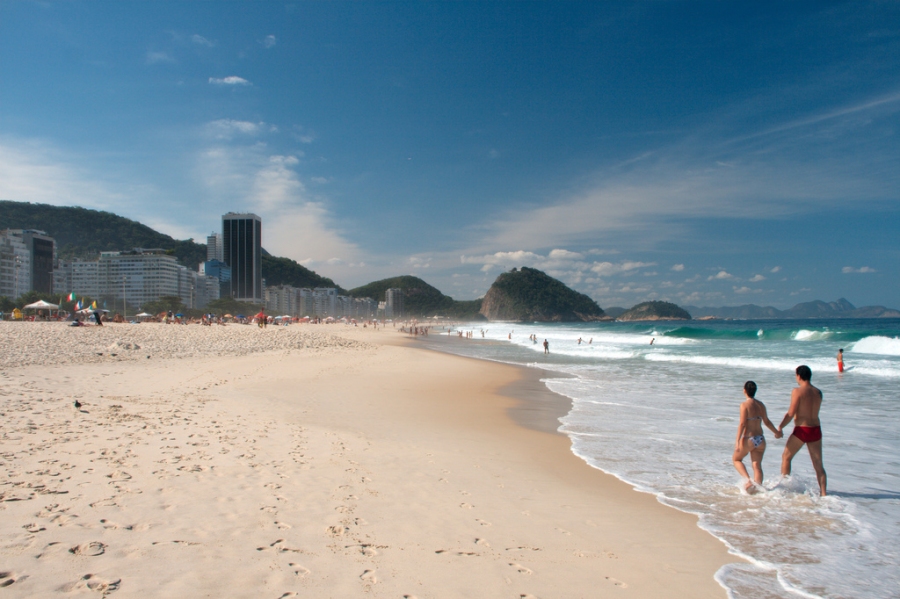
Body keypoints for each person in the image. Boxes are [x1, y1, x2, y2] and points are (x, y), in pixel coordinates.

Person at [778, 365, 827, 496]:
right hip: (816, 430)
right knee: (818, 465)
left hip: (802, 430)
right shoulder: (818, 392)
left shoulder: (797, 391)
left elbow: (790, 413)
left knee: (786, 457)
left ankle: (785, 488)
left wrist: (780, 427)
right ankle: (823, 494)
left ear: (799, 376)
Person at [733, 381, 781, 493]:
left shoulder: (744, 405)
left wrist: (737, 441)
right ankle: (758, 489)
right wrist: (776, 432)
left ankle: (748, 480)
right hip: (760, 439)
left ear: (744, 390)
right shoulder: (761, 405)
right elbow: (767, 422)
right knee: (757, 465)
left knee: (736, 459)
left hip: (748, 438)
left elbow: (742, 424)